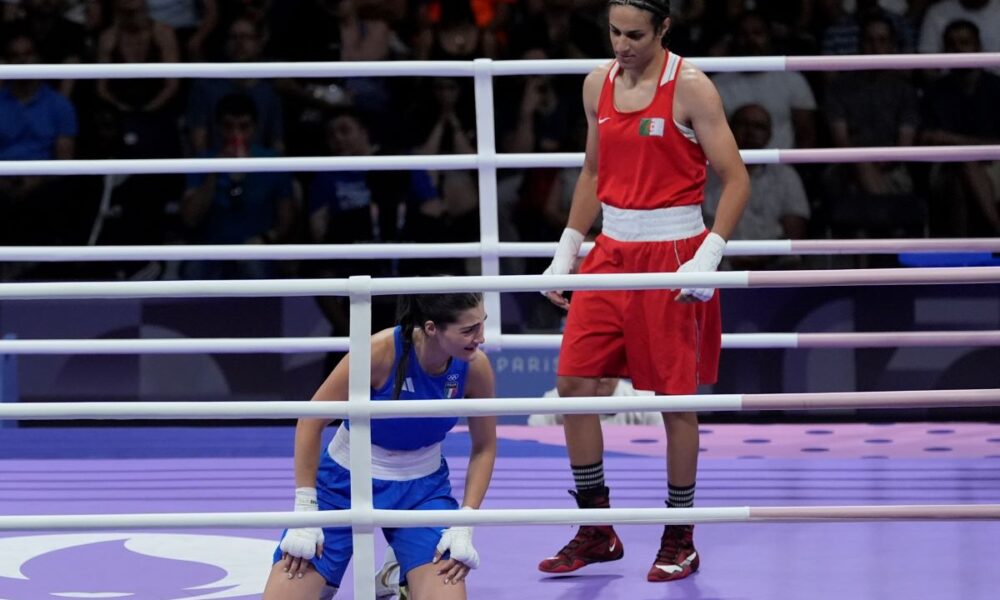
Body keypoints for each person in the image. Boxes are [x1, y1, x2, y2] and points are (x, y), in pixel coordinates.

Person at [538, 0, 749, 583]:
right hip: (610, 253)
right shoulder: (595, 84)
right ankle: (596, 528)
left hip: (674, 251)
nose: (623, 44)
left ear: (663, 29)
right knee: (574, 384)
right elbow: (591, 171)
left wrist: (709, 254)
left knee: (674, 403)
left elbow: (736, 178)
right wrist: (567, 252)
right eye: (614, 32)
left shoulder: (693, 88)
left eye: (635, 34)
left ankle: (680, 535)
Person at [262, 292, 497, 600]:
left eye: (482, 325)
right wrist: (306, 511)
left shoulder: (475, 367)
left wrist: (465, 522)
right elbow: (311, 420)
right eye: (469, 330)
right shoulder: (378, 352)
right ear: (431, 328)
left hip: (423, 493)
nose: (481, 338)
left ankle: (398, 571)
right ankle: (397, 568)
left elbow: (484, 446)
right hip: (343, 485)